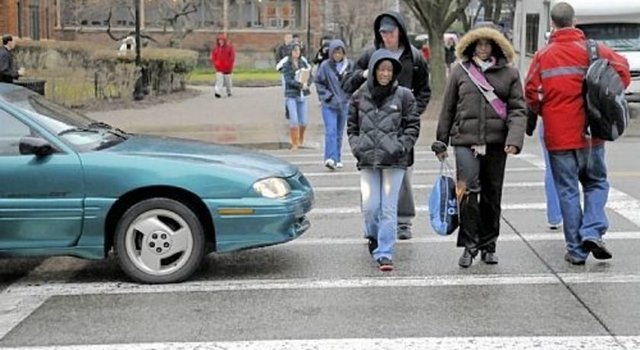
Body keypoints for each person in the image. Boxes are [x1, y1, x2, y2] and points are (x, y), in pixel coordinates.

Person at [524, 2, 630, 265]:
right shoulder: (596, 50)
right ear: (575, 21)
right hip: (592, 133)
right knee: (596, 183)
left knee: (568, 190)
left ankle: (577, 250)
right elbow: (623, 73)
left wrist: (545, 110)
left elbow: (531, 94)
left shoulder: (543, 56)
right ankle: (593, 230)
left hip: (559, 136)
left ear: (552, 24)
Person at [433, 26, 526, 268]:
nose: (483, 48)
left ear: (495, 46)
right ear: (472, 46)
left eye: (488, 44)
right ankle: (469, 245)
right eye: (479, 44)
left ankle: (489, 245)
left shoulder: (510, 74)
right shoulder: (460, 71)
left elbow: (518, 109)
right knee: (467, 192)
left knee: (492, 195)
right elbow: (448, 108)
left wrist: (514, 140)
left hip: (496, 143)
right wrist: (441, 140)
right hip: (464, 140)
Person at [343, 11, 431, 240]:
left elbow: (424, 90)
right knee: (371, 181)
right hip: (373, 127)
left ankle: (403, 221)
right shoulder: (370, 54)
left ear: (399, 31)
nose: (386, 37)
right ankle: (371, 222)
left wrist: (412, 112)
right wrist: (363, 74)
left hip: (400, 128)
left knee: (403, 179)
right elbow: (347, 84)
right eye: (382, 33)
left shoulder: (415, 57)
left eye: (390, 33)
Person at [347, 49, 420, 271]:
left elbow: (412, 125)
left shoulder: (405, 95)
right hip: (368, 160)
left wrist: (401, 147)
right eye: (381, 69)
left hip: (395, 161)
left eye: (389, 70)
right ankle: (373, 235)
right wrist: (357, 147)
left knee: (388, 208)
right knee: (370, 207)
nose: (385, 74)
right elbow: (352, 126)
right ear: (374, 71)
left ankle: (385, 252)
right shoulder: (359, 96)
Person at [314, 39, 354, 170]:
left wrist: (348, 96)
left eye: (340, 53)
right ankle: (330, 157)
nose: (338, 55)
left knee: (339, 132)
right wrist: (327, 96)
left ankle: (337, 157)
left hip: (343, 104)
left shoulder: (348, 66)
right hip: (329, 104)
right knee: (330, 130)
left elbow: (354, 83)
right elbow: (319, 82)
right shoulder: (325, 66)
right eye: (335, 52)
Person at [282, 43, 312, 151]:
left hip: (302, 94)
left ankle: (301, 138)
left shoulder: (302, 63)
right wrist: (299, 84)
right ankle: (295, 142)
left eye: (298, 50)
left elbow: (309, 75)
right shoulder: (287, 65)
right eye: (295, 50)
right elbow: (288, 79)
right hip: (291, 94)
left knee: (303, 121)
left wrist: (307, 83)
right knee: (294, 119)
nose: (297, 52)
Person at [211, 34, 235, 98]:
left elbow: (232, 57)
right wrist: (215, 63)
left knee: (228, 82)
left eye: (222, 40)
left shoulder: (229, 48)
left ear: (224, 41)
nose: (220, 42)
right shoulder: (216, 49)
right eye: (219, 40)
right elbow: (213, 57)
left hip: (227, 68)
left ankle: (229, 91)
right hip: (219, 68)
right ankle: (218, 92)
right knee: (219, 81)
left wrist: (229, 64)